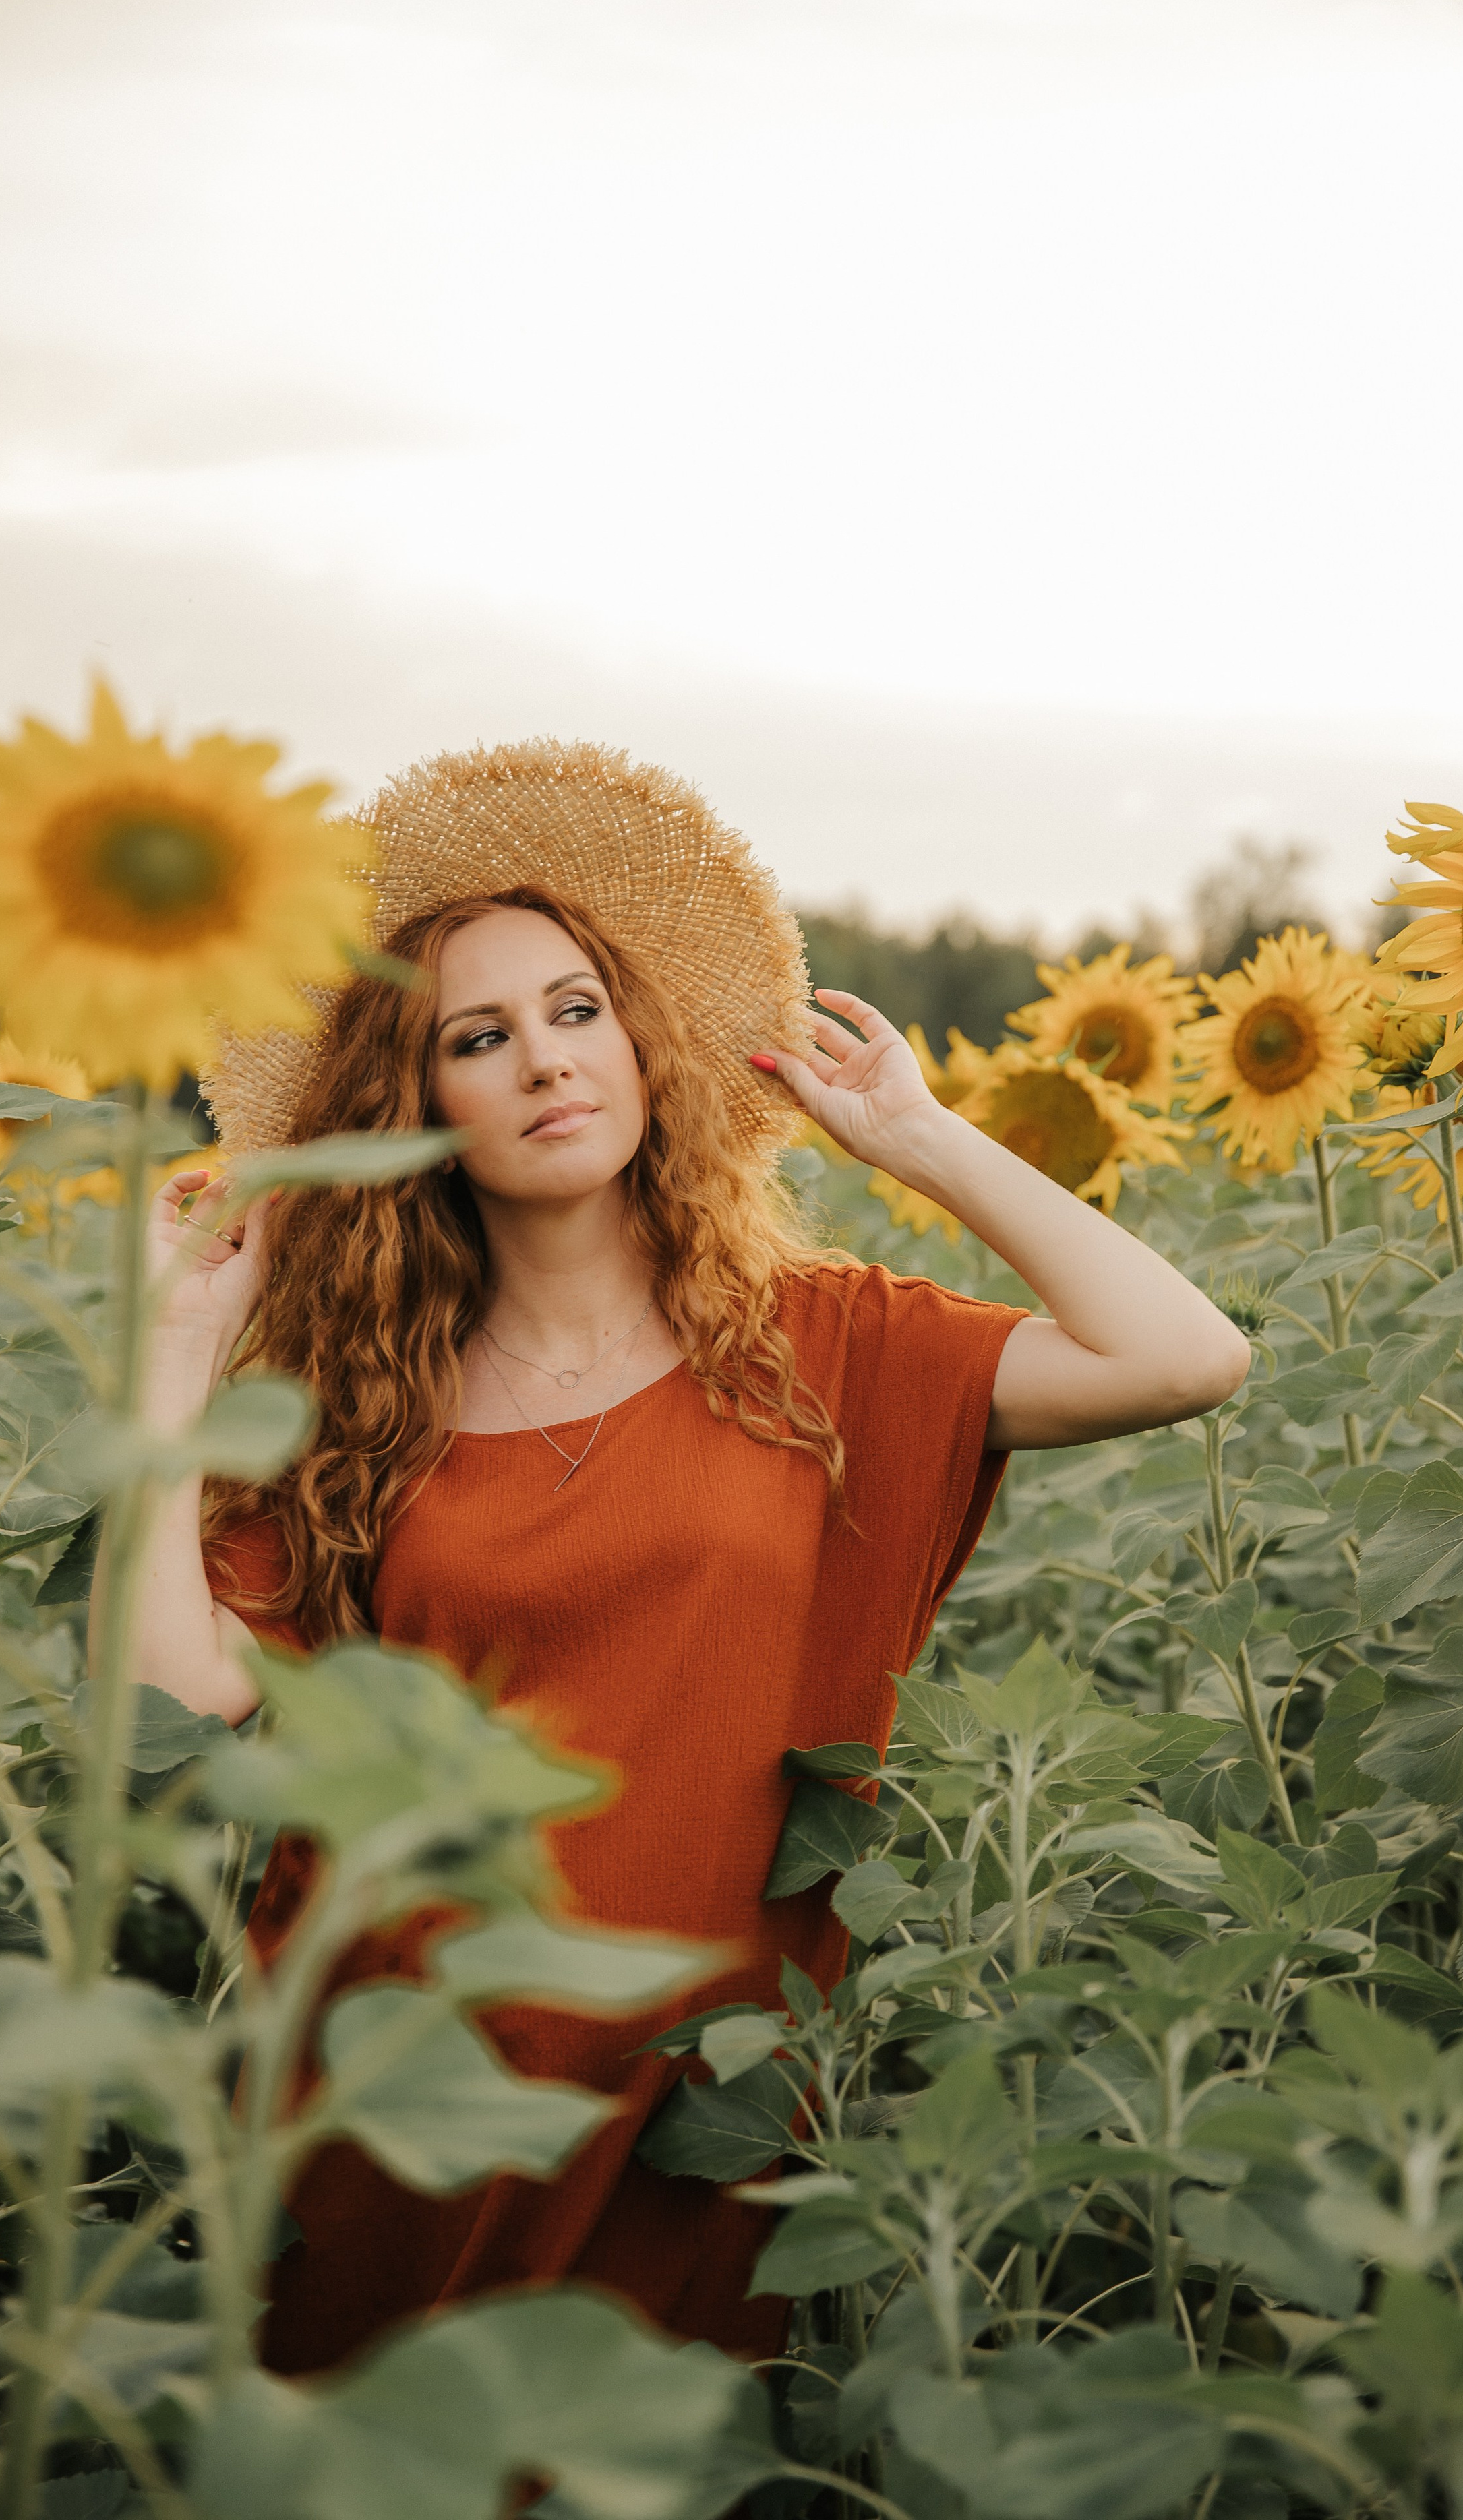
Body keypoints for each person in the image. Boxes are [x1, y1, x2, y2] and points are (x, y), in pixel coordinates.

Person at [127, 738, 1249, 2378]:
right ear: (413, 1099)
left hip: (703, 2112)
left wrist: (920, 1145)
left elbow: (1183, 1358)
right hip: (415, 2102)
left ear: (642, 1045)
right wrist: (172, 1366)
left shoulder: (818, 1347)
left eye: (577, 1010)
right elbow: (176, 1694)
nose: (543, 1061)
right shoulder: (352, 1410)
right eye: (477, 1036)